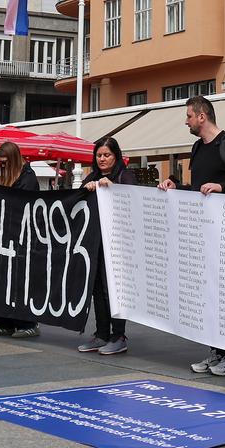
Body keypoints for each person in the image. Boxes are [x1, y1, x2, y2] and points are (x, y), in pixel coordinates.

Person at [158, 94, 225, 376]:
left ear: (202, 117)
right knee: (211, 293)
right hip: (206, 234)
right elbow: (199, 187)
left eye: (189, 116)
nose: (186, 121)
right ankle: (218, 350)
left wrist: (222, 188)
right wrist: (176, 185)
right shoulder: (197, 147)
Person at [78, 137, 136, 355]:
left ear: (116, 156)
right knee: (97, 289)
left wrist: (114, 188)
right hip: (96, 243)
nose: (102, 159)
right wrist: (86, 188)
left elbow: (135, 199)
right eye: (99, 155)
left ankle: (118, 335)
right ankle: (101, 334)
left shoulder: (125, 175)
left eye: (107, 155)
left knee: (114, 290)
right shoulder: (92, 176)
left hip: (118, 244)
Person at [0, 141, 41, 338]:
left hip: (23, 237)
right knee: (1, 279)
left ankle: (27, 324)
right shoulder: (11, 176)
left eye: (5, 163)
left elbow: (21, 201)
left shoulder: (28, 178)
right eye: (0, 163)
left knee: (19, 281)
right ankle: (3, 322)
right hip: (6, 235)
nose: (3, 166)